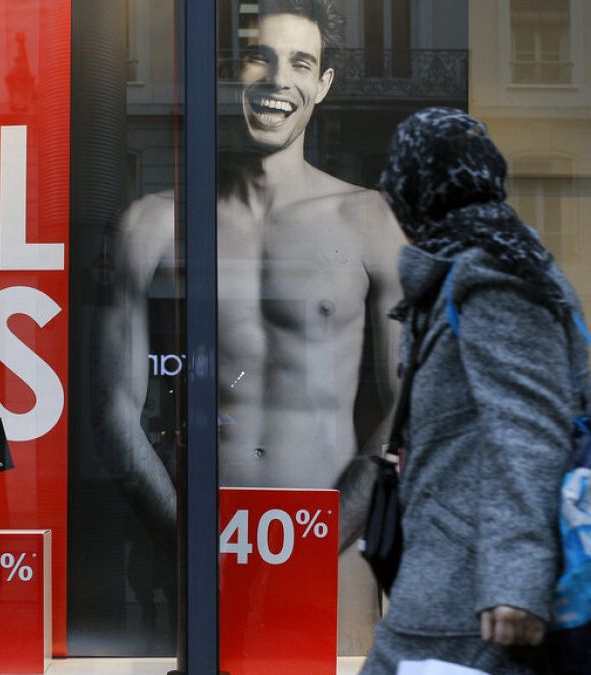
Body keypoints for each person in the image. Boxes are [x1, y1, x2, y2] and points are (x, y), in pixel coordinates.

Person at [93, 0, 403, 651]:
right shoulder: (152, 223)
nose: (277, 79)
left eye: (301, 62)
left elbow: (406, 404)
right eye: (260, 57)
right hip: (198, 544)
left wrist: (325, 533)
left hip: (334, 548)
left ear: (322, 84)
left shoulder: (369, 219)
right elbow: (115, 409)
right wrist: (188, 538)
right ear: (233, 71)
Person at [360, 108, 591, 675]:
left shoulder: (493, 276)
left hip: (473, 588)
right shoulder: (472, 267)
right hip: (458, 573)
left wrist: (516, 579)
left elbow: (530, 429)